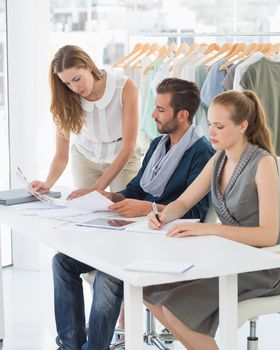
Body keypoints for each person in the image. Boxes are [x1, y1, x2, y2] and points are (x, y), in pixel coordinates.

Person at [52, 78, 215, 350]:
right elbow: (137, 188)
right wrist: (111, 196)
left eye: (161, 109)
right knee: (62, 261)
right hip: (134, 233)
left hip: (166, 241)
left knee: (108, 274)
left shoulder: (202, 153)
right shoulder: (158, 145)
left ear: (182, 115)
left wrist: (149, 209)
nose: (153, 114)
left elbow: (197, 212)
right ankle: (71, 345)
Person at [145, 90, 280, 350]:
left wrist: (211, 230)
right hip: (227, 258)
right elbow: (184, 201)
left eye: (220, 126)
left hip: (262, 266)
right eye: (210, 125)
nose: (212, 133)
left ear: (243, 126)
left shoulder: (263, 163)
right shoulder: (219, 159)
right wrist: (161, 215)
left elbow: (268, 235)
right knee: (150, 291)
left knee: (175, 308)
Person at [31, 45, 140, 198]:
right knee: (87, 212)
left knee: (125, 208)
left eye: (77, 79)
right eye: (67, 83)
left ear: (88, 66)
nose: (74, 87)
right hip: (86, 158)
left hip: (123, 157)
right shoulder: (66, 97)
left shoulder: (125, 87)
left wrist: (95, 190)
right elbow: (61, 155)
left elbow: (129, 146)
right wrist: (47, 184)